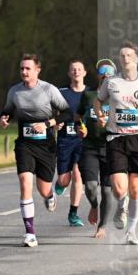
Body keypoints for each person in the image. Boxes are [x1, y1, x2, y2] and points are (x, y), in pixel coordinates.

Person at [94, 42, 138, 246]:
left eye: (130, 55)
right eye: (122, 56)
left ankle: (131, 231)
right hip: (116, 138)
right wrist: (100, 115)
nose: (125, 59)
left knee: (135, 188)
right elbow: (98, 101)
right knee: (118, 188)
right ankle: (121, 204)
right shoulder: (111, 82)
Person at [0, 53, 69, 247]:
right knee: (24, 182)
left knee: (43, 188)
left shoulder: (48, 89)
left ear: (37, 70)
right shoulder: (15, 91)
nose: (24, 72)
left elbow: (67, 112)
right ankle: (30, 233)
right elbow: (8, 110)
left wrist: (49, 123)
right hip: (25, 144)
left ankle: (49, 195)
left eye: (28, 68)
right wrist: (4, 118)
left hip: (46, 145)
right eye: (21, 68)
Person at [76, 59, 116, 238]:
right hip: (90, 147)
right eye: (103, 74)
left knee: (107, 190)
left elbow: (130, 118)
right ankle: (93, 205)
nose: (106, 77)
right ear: (99, 76)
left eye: (110, 75)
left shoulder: (118, 97)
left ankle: (102, 226)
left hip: (111, 147)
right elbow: (78, 117)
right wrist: (80, 128)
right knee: (91, 186)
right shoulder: (89, 96)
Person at [55, 60, 87, 227]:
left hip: (82, 139)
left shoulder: (91, 93)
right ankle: (60, 183)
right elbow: (52, 112)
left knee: (78, 174)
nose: (76, 72)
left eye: (79, 69)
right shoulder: (61, 92)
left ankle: (73, 214)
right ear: (69, 73)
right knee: (64, 181)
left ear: (85, 73)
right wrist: (56, 122)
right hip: (65, 139)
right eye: (73, 69)